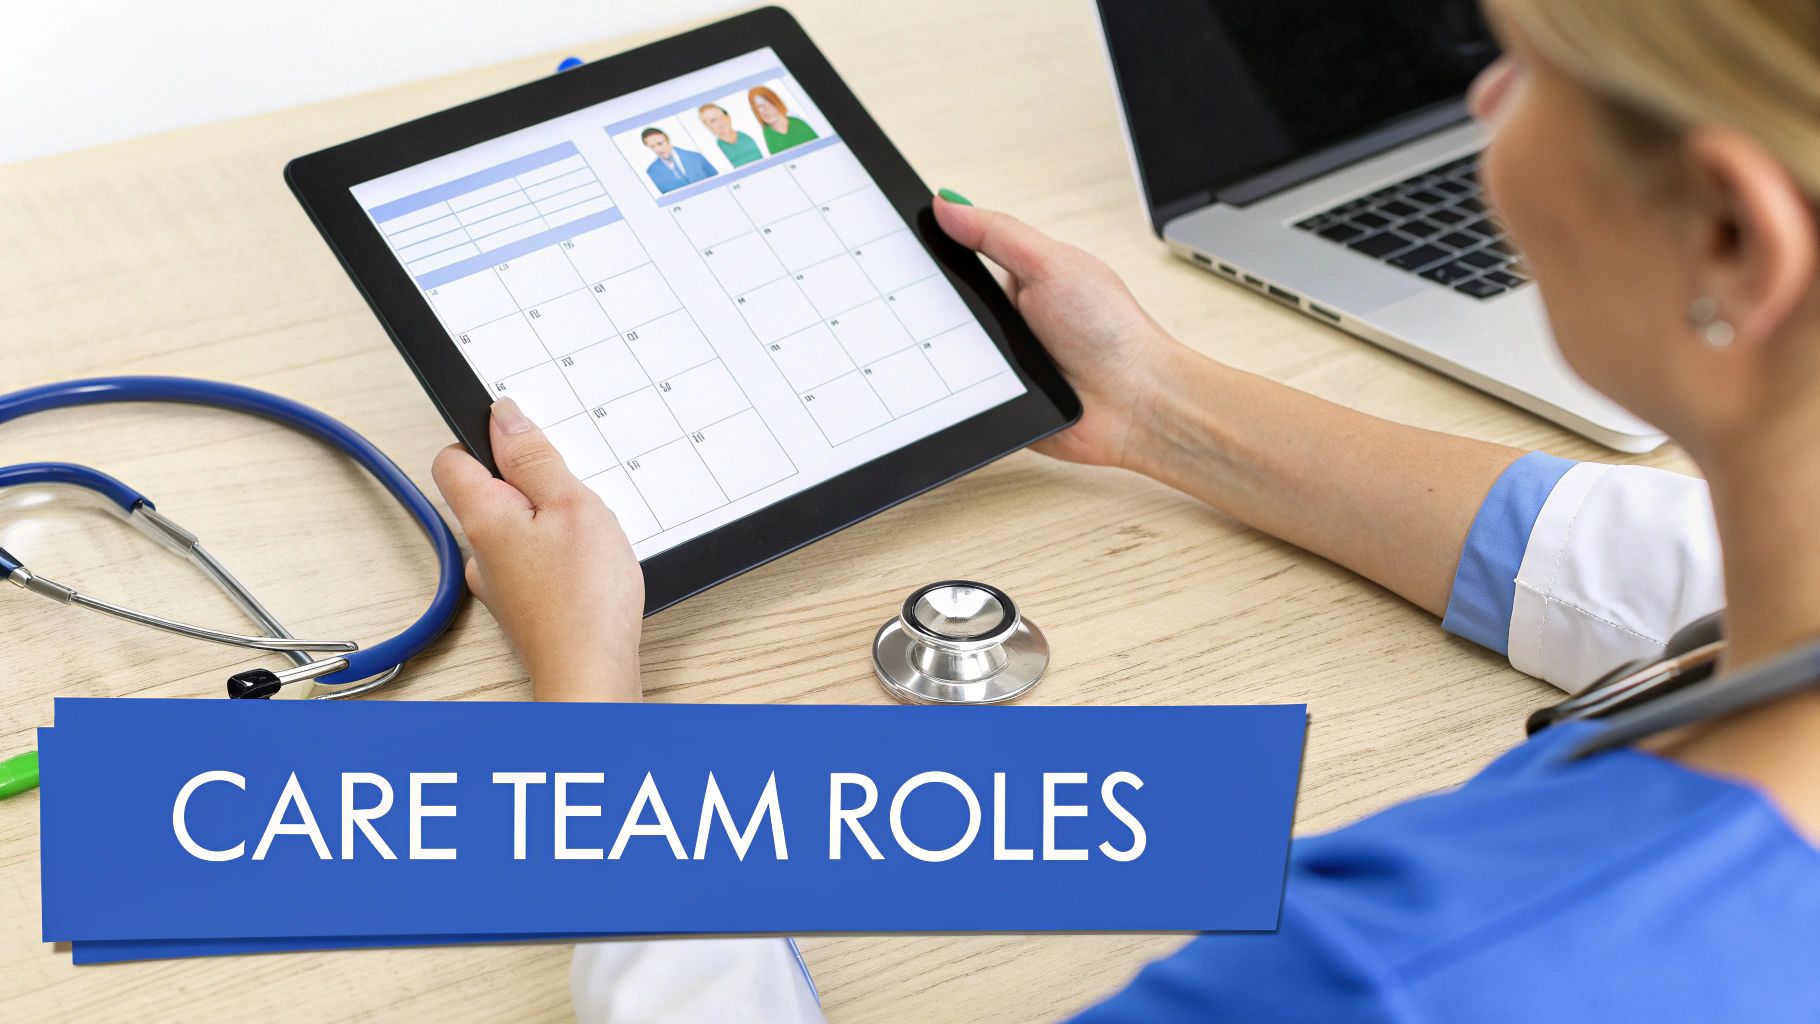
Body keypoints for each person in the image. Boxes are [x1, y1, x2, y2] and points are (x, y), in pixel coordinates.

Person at [431, 0, 1820, 1018]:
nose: (1482, 108)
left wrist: (591, 710)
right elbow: (1639, 565)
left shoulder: (1403, 978)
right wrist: (1159, 403)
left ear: (1732, 237)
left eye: (1526, 65)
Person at [639, 127, 717, 194]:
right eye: (652, 146)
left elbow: (717, 179)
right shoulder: (652, 172)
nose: (658, 149)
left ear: (667, 139)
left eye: (660, 143)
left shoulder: (696, 157)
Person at [748, 85, 818, 155]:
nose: (767, 110)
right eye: (760, 106)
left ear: (777, 102)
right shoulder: (767, 133)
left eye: (770, 103)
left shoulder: (798, 124)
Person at [698, 102, 762, 167]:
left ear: (728, 117)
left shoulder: (748, 136)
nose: (721, 121)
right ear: (707, 126)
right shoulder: (715, 150)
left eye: (722, 116)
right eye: (713, 120)